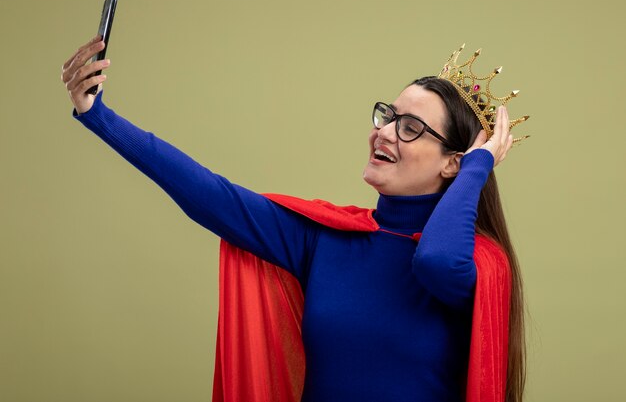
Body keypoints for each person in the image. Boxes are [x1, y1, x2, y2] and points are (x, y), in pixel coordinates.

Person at [61, 36, 526, 402]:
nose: (383, 132)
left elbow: (435, 262)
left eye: (410, 128)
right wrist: (97, 115)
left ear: (453, 164)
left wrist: (478, 165)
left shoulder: (477, 266)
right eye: (389, 116)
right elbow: (210, 195)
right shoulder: (327, 239)